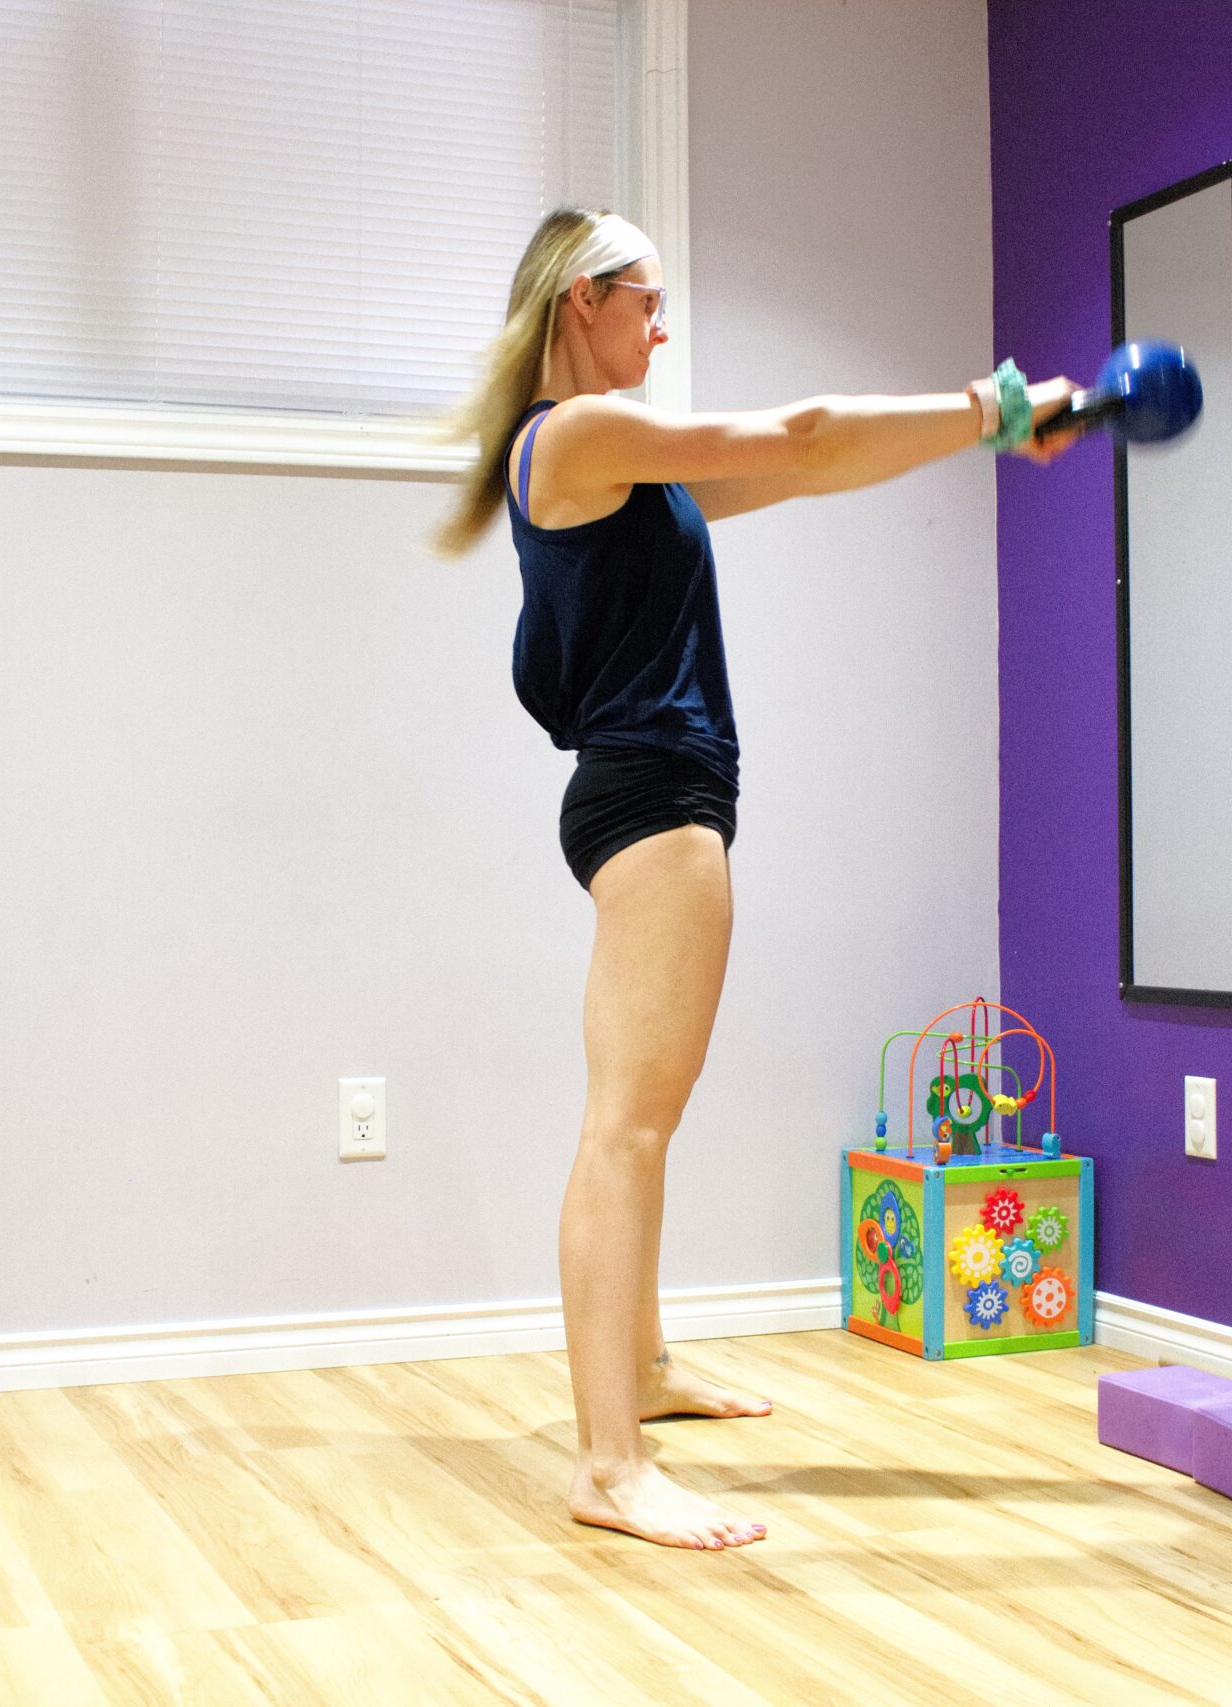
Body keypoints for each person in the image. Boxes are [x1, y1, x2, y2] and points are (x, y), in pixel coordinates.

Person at [435, 208, 1078, 1549]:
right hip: (654, 802)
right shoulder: (577, 434)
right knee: (627, 1125)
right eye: (652, 302)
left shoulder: (621, 462)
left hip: (659, 797)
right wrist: (995, 403)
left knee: (641, 1120)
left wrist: (978, 434)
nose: (665, 330)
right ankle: (608, 1464)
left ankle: (646, 1369)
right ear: (585, 300)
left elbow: (811, 468)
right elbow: (803, 433)